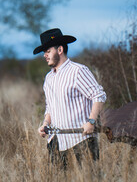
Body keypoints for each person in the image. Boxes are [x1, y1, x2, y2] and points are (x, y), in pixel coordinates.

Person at [33, 28, 106, 167]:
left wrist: (91, 121)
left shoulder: (78, 71)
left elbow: (99, 95)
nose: (45, 55)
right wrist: (45, 124)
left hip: (80, 140)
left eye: (48, 51)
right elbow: (50, 106)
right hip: (56, 142)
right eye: (44, 52)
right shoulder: (49, 78)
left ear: (59, 50)